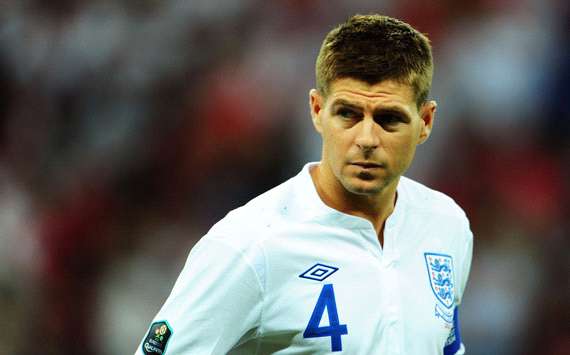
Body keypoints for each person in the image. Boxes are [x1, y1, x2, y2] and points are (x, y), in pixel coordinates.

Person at [135, 14, 473, 355]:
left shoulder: (446, 225)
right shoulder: (251, 245)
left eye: (389, 119)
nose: (367, 139)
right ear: (317, 110)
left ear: (426, 121)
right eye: (348, 114)